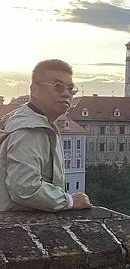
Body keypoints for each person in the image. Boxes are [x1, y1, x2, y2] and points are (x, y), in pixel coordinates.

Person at [0, 59, 92, 211]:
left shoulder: (33, 121)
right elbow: (25, 188)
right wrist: (69, 201)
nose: (65, 94)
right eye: (57, 86)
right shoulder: (30, 130)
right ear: (34, 89)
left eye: (70, 89)